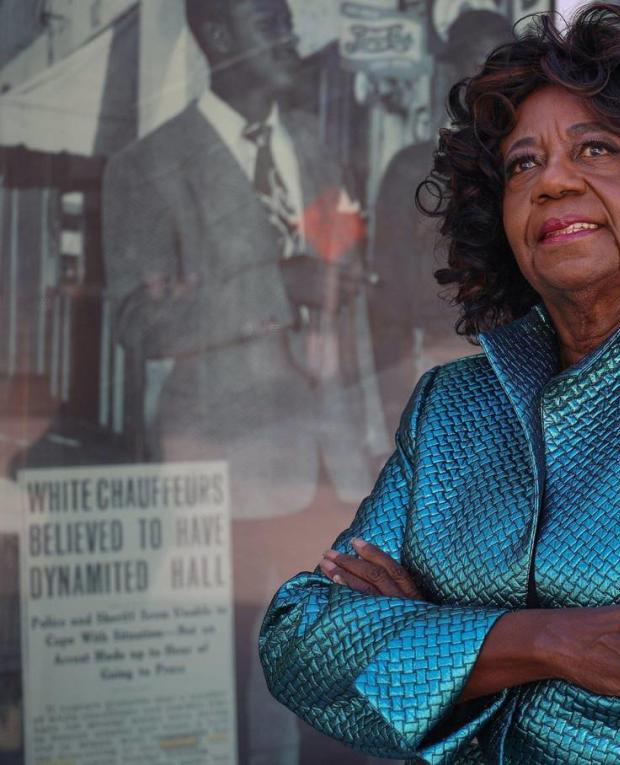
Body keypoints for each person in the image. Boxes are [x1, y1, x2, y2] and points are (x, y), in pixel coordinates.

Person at [260, 5, 620, 762]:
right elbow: (298, 642)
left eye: (597, 148)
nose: (553, 181)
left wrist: (443, 653)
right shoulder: (449, 408)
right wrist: (556, 642)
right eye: (522, 164)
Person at [103, 0, 371, 762]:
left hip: (334, 466)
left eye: (288, 20)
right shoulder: (148, 166)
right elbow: (135, 321)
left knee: (334, 687)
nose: (289, 36)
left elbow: (344, 298)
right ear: (217, 38)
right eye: (268, 22)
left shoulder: (318, 149)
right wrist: (272, 289)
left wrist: (371, 438)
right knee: (240, 684)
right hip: (227, 472)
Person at [368, 9, 516, 439]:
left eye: (504, 67)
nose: (490, 82)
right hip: (440, 367)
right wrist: (394, 411)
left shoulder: (536, 165)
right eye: (475, 65)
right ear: (451, 71)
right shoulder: (411, 171)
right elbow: (388, 306)